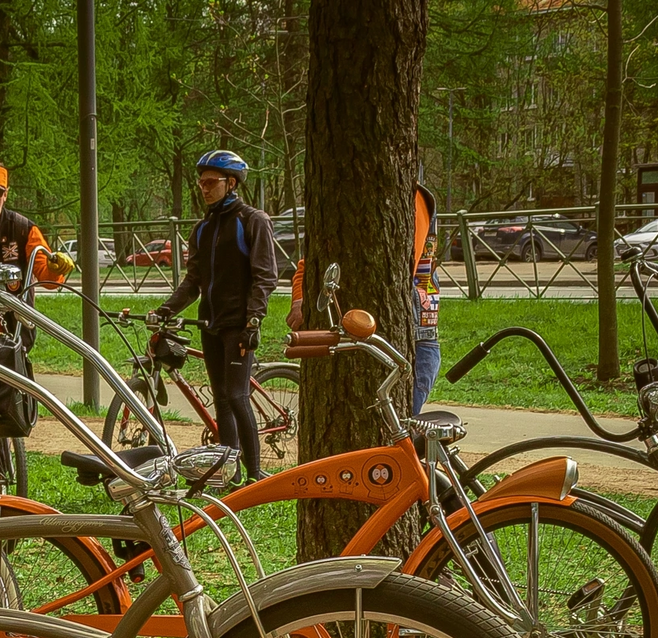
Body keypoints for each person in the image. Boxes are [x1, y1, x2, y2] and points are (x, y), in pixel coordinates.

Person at [147, 150, 277, 481]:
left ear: (231, 183)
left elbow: (265, 276)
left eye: (210, 182)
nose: (203, 188)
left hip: (239, 325)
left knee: (236, 396)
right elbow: (194, 280)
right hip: (211, 324)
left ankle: (255, 472)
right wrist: (166, 309)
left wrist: (254, 320)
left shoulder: (252, 221)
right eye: (201, 182)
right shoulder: (203, 228)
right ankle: (230, 473)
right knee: (220, 399)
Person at [287, 183, 442, 416]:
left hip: (415, 340)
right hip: (390, 339)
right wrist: (299, 300)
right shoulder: (346, 200)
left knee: (399, 430)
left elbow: (398, 267)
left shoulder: (410, 198)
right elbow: (307, 265)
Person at [0, 163, 71, 293]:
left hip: (14, 311)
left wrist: (55, 269)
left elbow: (49, 281)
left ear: (5, 194)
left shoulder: (23, 229)